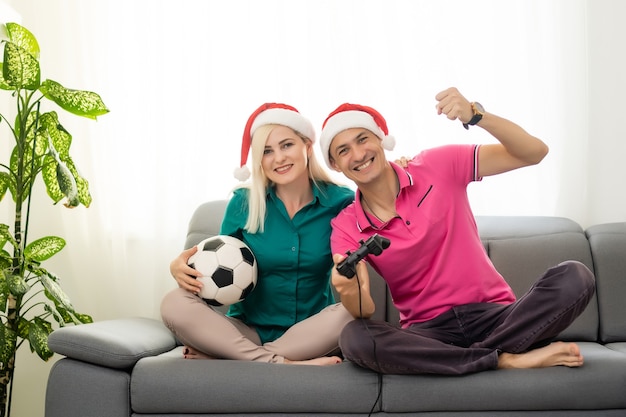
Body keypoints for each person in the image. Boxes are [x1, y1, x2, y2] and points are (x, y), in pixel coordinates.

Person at [317, 87, 596, 375]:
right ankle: (505, 358)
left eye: (363, 139)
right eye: (343, 150)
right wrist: (348, 289)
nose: (358, 154)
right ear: (336, 165)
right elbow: (364, 311)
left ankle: (471, 358)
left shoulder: (437, 165)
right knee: (355, 337)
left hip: (498, 317)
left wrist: (477, 116)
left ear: (381, 139)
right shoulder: (345, 227)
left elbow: (534, 152)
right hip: (429, 332)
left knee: (575, 276)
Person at [161, 103, 356, 365]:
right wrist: (182, 270)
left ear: (307, 146)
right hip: (246, 332)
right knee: (174, 303)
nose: (278, 158)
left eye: (286, 145)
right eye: (266, 151)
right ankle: (284, 365)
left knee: (352, 312)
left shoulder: (342, 202)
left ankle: (234, 359)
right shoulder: (242, 203)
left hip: (311, 334)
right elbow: (212, 274)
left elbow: (381, 230)